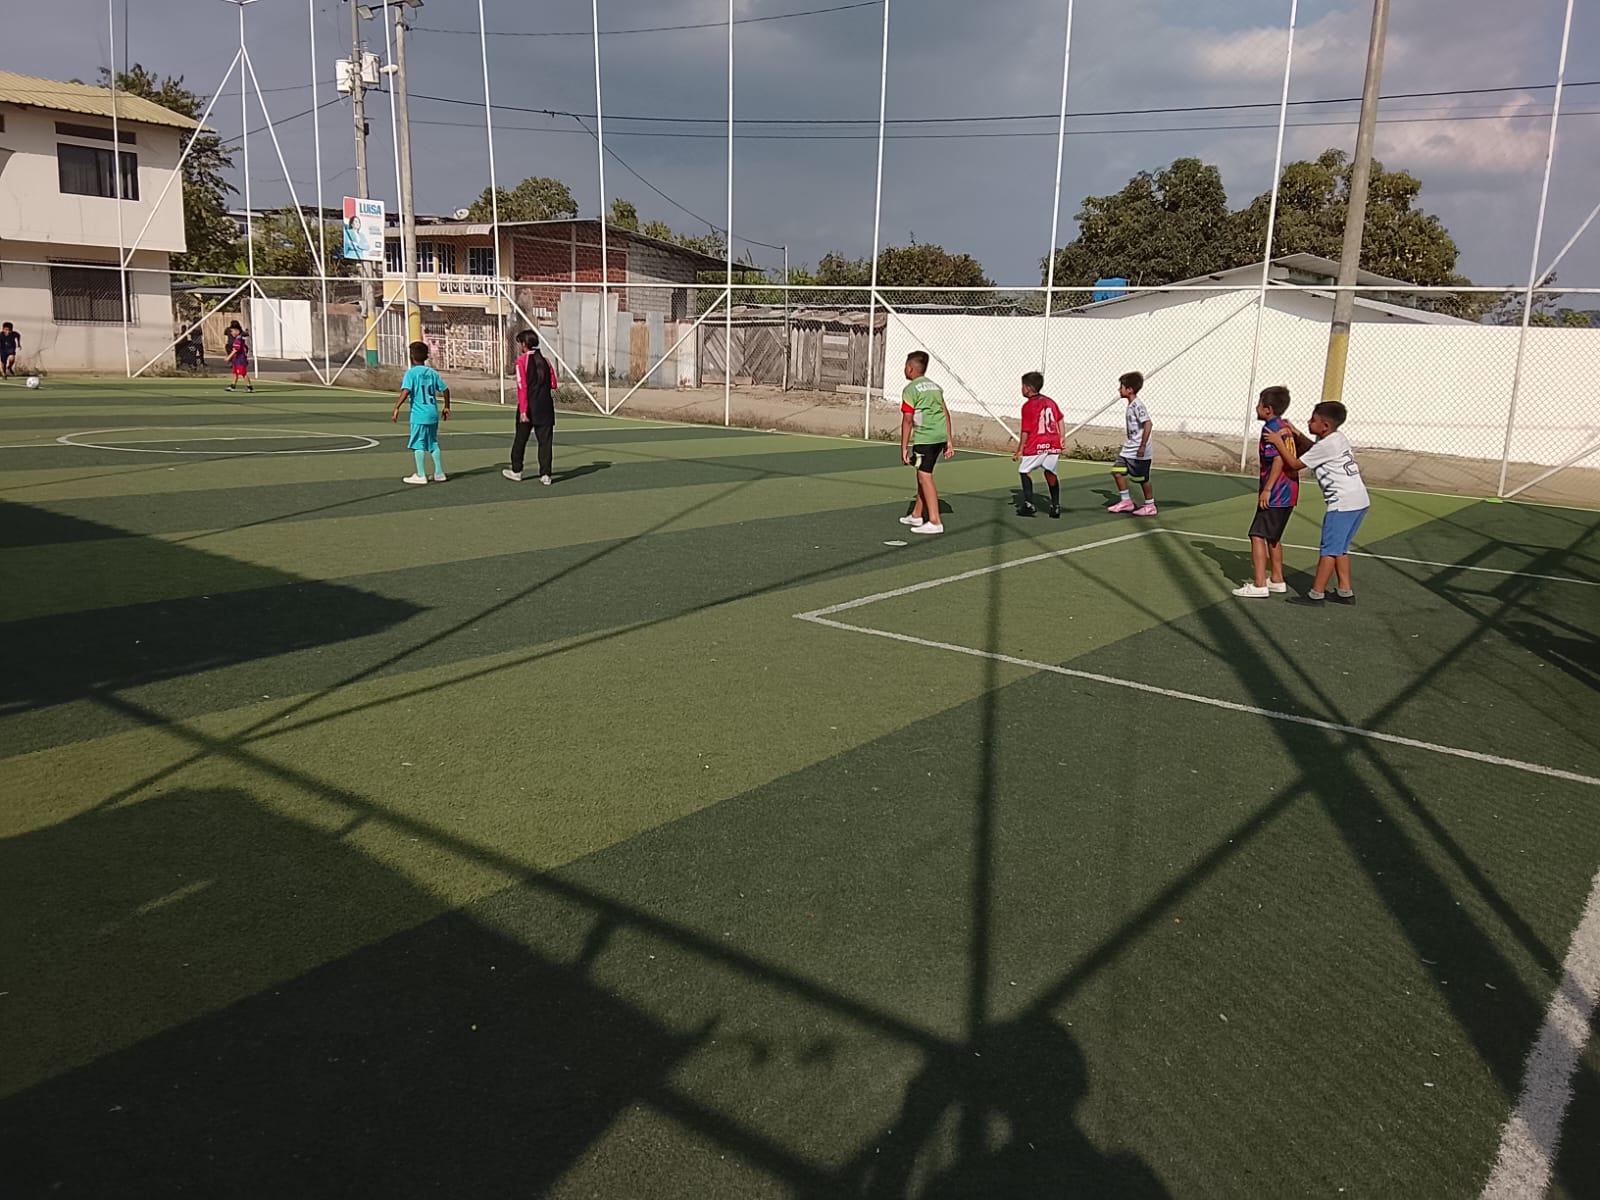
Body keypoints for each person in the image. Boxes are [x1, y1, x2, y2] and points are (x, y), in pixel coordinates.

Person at [1264, 401, 1371, 606]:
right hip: (1359, 501)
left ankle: (1316, 594)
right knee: (1340, 548)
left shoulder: (1325, 445)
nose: (1308, 422)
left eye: (1313, 420)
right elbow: (1315, 450)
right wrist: (1297, 433)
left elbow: (1294, 464)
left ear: (1325, 426)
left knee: (1329, 549)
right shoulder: (1337, 438)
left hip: (1343, 504)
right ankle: (1345, 591)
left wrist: (1278, 442)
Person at [1232, 385, 1298, 598]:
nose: (1256, 408)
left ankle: (1259, 584)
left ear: (1268, 409)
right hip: (1290, 491)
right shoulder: (1284, 427)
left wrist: (1267, 489)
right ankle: (1277, 579)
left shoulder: (1271, 429)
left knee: (1257, 535)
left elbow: (1278, 459)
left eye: (1259, 404)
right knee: (1273, 537)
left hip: (1277, 492)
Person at [899, 350, 955, 535]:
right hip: (939, 436)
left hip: (926, 438)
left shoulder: (910, 389)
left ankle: (935, 521)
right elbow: (945, 413)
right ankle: (916, 515)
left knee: (925, 476)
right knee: (922, 472)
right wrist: (949, 439)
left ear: (910, 368)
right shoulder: (935, 387)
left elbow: (907, 420)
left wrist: (904, 447)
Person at [503, 329, 559, 484]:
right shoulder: (546, 361)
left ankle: (516, 471)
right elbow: (553, 384)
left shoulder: (522, 362)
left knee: (520, 440)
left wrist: (523, 411)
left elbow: (522, 387)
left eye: (520, 343)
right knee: (545, 442)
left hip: (528, 408)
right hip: (546, 407)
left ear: (524, 344)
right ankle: (546, 475)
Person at [391, 340, 450, 485]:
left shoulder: (411, 373)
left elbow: (406, 391)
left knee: (418, 444)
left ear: (411, 356)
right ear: (426, 357)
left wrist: (397, 407)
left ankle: (421, 474)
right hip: (432, 413)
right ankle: (439, 473)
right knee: (433, 442)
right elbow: (445, 389)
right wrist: (447, 406)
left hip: (419, 415)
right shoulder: (432, 373)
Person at [1012, 371, 1063, 518]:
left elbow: (1026, 430)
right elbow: (1060, 418)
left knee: (1024, 470)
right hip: (1053, 443)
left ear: (1028, 388)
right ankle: (1055, 506)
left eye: (1022, 386)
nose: (1021, 389)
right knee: (1050, 472)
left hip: (1037, 443)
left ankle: (1028, 504)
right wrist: (1062, 437)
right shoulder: (1050, 401)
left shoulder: (1028, 406)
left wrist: (1020, 449)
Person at [1106, 371, 1156, 516]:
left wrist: (1142, 446)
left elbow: (1148, 424)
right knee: (1117, 472)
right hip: (1129, 448)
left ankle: (1150, 505)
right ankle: (1126, 502)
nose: (1119, 389)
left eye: (1121, 387)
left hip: (1138, 449)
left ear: (1130, 389)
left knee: (1142, 478)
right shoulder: (1130, 405)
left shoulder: (1137, 406)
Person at [224, 322, 252, 393]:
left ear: (237, 331)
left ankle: (249, 387)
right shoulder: (237, 338)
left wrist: (228, 357)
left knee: (243, 373)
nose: (231, 333)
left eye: (232, 331)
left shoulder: (238, 340)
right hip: (236, 359)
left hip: (240, 360)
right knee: (235, 373)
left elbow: (235, 350)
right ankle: (233, 386)